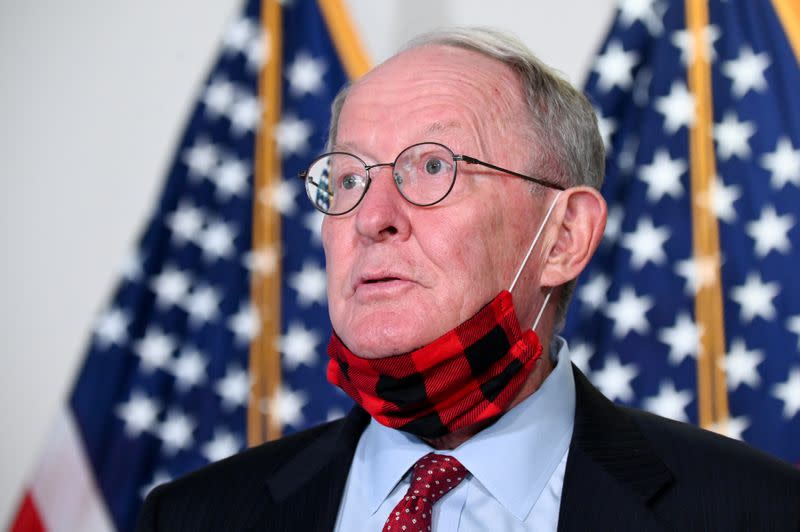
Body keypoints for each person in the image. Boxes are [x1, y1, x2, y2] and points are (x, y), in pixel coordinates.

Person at [137, 27, 800, 531]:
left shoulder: (759, 513)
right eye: (347, 178)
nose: (372, 218)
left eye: (432, 169)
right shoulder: (192, 518)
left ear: (563, 238)